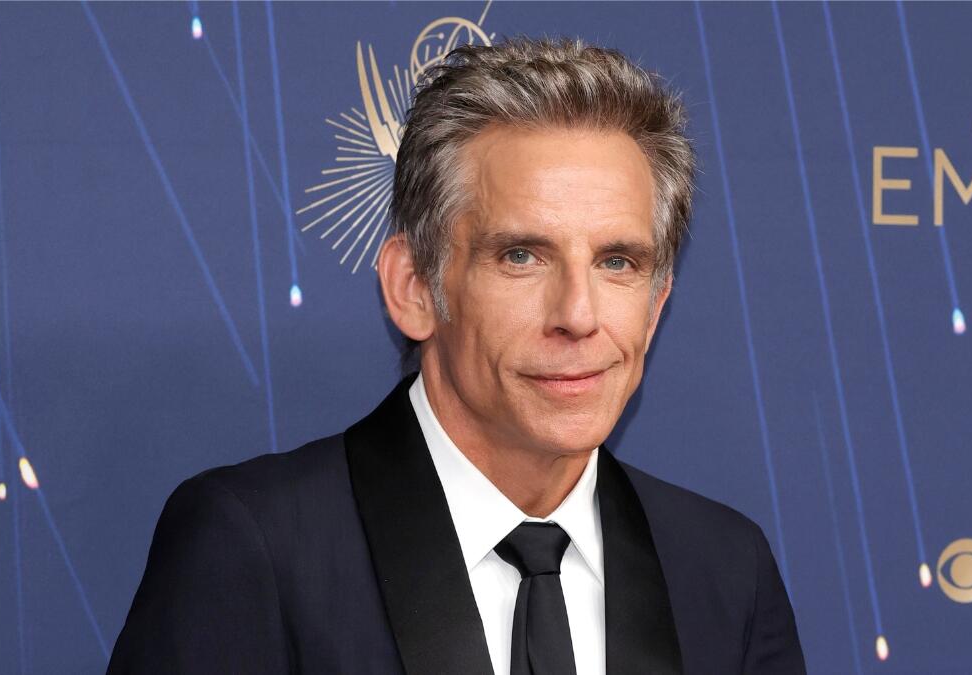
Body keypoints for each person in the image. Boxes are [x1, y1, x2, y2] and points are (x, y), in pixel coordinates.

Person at [107, 37, 806, 675]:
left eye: (617, 262)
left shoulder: (724, 571)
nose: (578, 315)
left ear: (655, 309)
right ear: (414, 288)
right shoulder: (253, 548)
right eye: (521, 256)